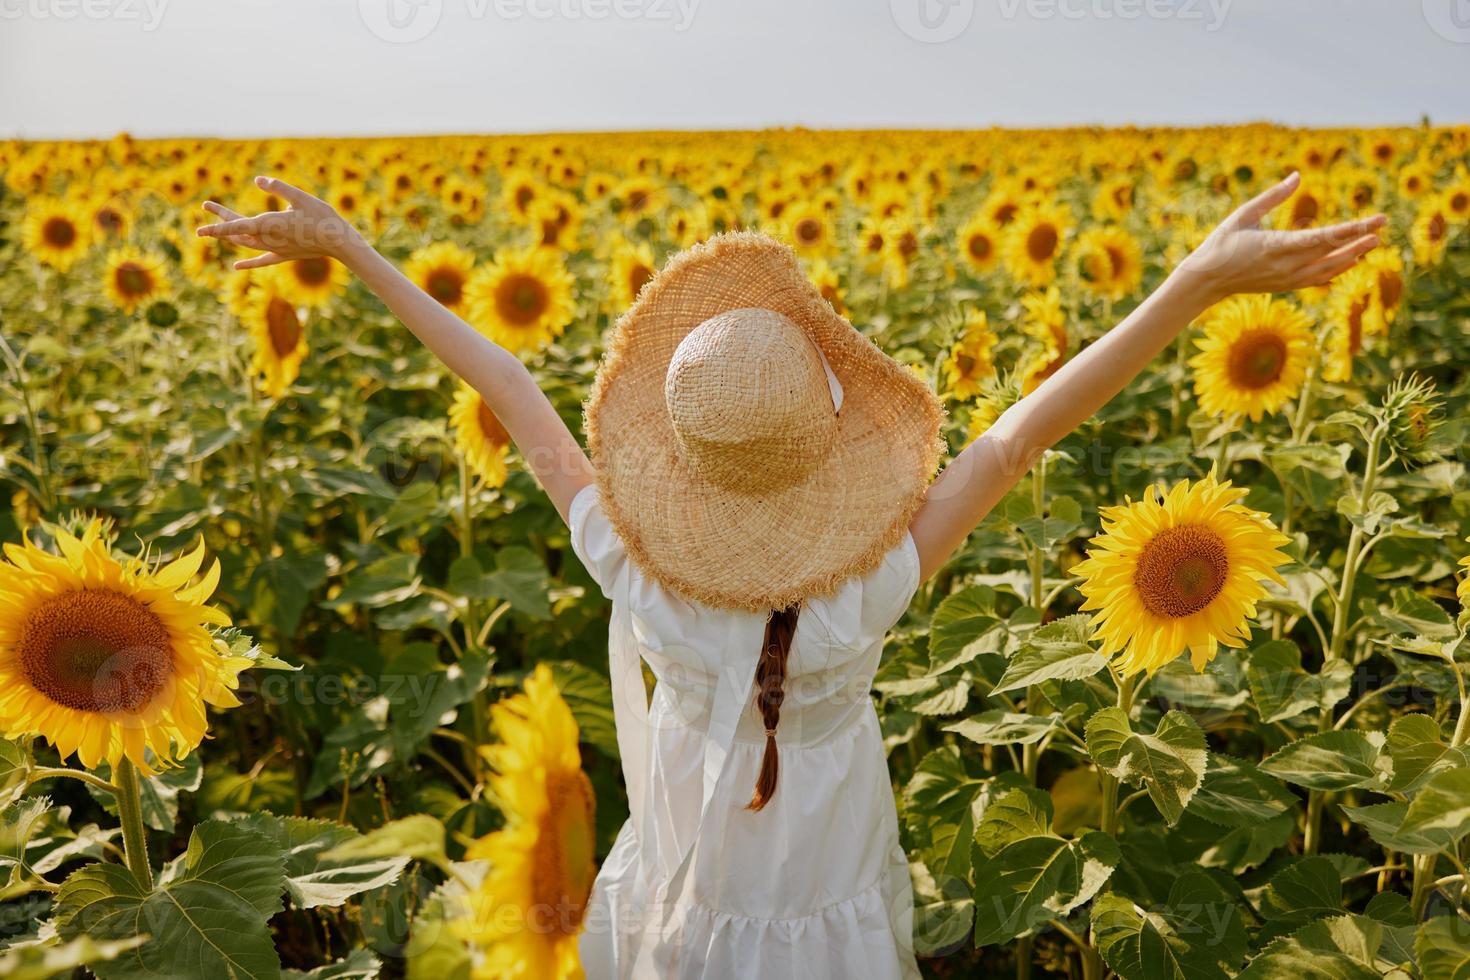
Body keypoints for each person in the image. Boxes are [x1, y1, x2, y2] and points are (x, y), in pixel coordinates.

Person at [199, 171, 1382, 978]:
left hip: (685, 877)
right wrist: (1196, 285)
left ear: (678, 451)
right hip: (830, 869)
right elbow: (1021, 436)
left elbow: (510, 388)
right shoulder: (872, 580)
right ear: (826, 442)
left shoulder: (636, 560)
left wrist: (350, 251)